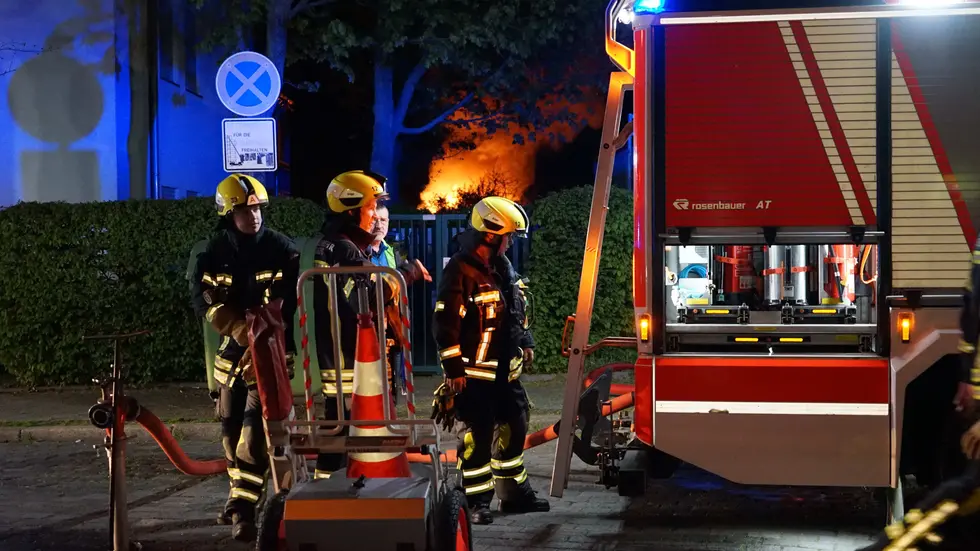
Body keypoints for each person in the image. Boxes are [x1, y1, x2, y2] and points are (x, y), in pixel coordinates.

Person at [190, 173, 299, 542]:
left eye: (257, 209)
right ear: (228, 215)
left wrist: (261, 335)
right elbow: (203, 300)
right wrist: (236, 327)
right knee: (230, 434)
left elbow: (287, 303)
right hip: (232, 355)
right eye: (244, 211)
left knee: (253, 436)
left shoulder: (281, 249)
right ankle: (237, 498)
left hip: (267, 353)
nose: (253, 216)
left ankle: (244, 511)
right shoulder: (213, 253)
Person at [431, 196, 548, 525]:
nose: (510, 243)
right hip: (474, 376)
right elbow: (445, 324)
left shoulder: (501, 268)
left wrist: (525, 341)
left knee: (515, 427)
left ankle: (513, 495)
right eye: (507, 236)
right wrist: (454, 369)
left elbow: (515, 310)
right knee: (477, 439)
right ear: (490, 234)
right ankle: (474, 502)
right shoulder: (460, 270)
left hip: (505, 375)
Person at [311, 170, 430, 480]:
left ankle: (328, 489)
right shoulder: (344, 249)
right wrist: (406, 274)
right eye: (371, 207)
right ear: (351, 210)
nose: (376, 215)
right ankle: (339, 492)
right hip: (350, 361)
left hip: (343, 358)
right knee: (353, 432)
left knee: (339, 432)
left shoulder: (335, 244)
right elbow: (368, 296)